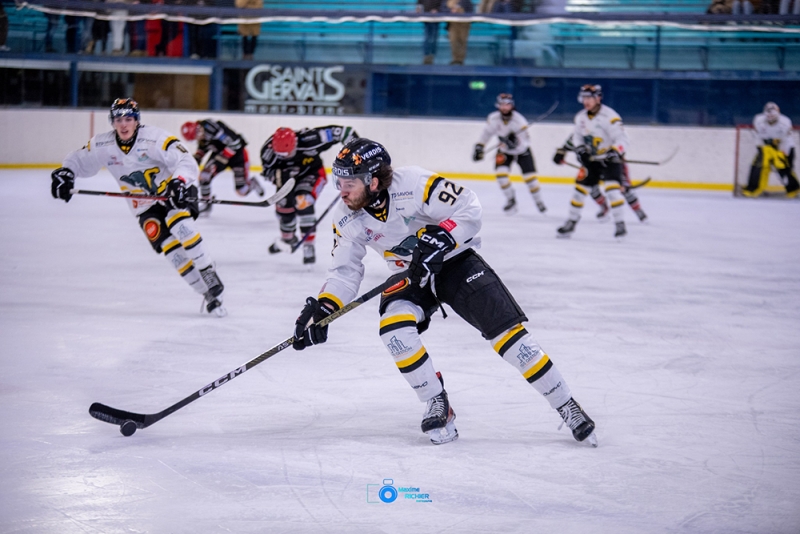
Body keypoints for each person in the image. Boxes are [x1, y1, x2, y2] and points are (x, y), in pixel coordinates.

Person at [291, 137, 598, 447]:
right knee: (394, 331)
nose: (341, 190)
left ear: (372, 180)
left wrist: (444, 235)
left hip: (456, 263)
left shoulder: (412, 182)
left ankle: (566, 405)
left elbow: (469, 209)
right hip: (411, 275)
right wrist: (324, 308)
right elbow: (345, 270)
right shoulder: (346, 217)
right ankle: (437, 402)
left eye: (348, 182)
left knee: (510, 338)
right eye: (338, 180)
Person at [50, 98, 227, 316]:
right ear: (112, 122)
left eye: (128, 119)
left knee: (180, 226)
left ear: (137, 121)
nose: (123, 124)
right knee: (173, 254)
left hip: (172, 193)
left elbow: (185, 159)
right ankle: (205, 292)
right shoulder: (103, 145)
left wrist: (179, 181)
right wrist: (67, 173)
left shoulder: (154, 138)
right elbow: (78, 159)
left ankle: (207, 271)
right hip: (143, 206)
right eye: (118, 119)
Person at [259, 125, 358, 265]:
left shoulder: (310, 139)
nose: (286, 157)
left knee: (303, 201)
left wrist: (357, 152)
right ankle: (287, 239)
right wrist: (281, 176)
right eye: (282, 155)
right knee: (284, 209)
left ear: (295, 144)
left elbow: (344, 132)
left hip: (312, 174)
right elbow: (268, 173)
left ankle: (308, 245)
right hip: (287, 180)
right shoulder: (267, 152)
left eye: (289, 153)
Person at [553, 84, 630, 239]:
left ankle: (620, 224)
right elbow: (577, 137)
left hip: (610, 161)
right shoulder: (581, 117)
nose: (586, 101)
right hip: (591, 162)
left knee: (613, 191)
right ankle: (571, 223)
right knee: (578, 192)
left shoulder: (610, 116)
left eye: (590, 98)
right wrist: (580, 149)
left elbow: (622, 139)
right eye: (584, 98)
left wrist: (615, 150)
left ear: (598, 98)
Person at [473, 93, 546, 214]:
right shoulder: (493, 118)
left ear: (512, 106)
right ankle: (511, 199)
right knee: (501, 176)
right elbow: (486, 133)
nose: (505, 107)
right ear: (498, 105)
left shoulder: (519, 120)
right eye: (502, 104)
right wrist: (480, 146)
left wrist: (514, 143)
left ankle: (539, 201)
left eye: (507, 104)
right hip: (504, 151)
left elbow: (525, 142)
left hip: (522, 152)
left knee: (531, 180)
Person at [181, 119, 264, 215]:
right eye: (195, 138)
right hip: (220, 155)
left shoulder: (212, 128)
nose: (199, 137)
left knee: (242, 191)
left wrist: (221, 159)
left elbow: (235, 143)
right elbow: (203, 148)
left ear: (198, 127)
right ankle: (206, 202)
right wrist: (195, 160)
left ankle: (252, 183)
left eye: (197, 134)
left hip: (238, 155)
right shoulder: (202, 135)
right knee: (204, 176)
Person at [554, 135, 647, 222]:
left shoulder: (606, 126)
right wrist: (560, 153)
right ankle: (604, 207)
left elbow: (620, 143)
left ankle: (637, 209)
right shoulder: (582, 130)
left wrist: (615, 153)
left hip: (611, 164)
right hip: (592, 166)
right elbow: (569, 143)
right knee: (591, 188)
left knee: (622, 188)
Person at [743, 102, 798, 198]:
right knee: (758, 165)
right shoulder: (758, 120)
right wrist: (761, 149)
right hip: (766, 147)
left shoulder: (785, 122)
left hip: (783, 147)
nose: (770, 119)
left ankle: (793, 189)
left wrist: (781, 154)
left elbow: (787, 140)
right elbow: (758, 137)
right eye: (768, 116)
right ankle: (753, 188)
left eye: (773, 116)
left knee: (783, 167)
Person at [445, 0, 472, 65]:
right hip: (453, 24)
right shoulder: (448, 2)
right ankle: (455, 58)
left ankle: (461, 59)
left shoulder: (467, 2)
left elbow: (470, 11)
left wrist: (462, 12)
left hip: (464, 24)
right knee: (453, 41)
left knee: (462, 41)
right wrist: (450, 11)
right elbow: (443, 10)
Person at [417, 0, 442, 65]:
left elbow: (443, 4)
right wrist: (418, 9)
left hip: (436, 18)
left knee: (433, 38)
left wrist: (437, 10)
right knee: (427, 37)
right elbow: (419, 4)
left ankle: (432, 55)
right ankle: (426, 55)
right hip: (426, 18)